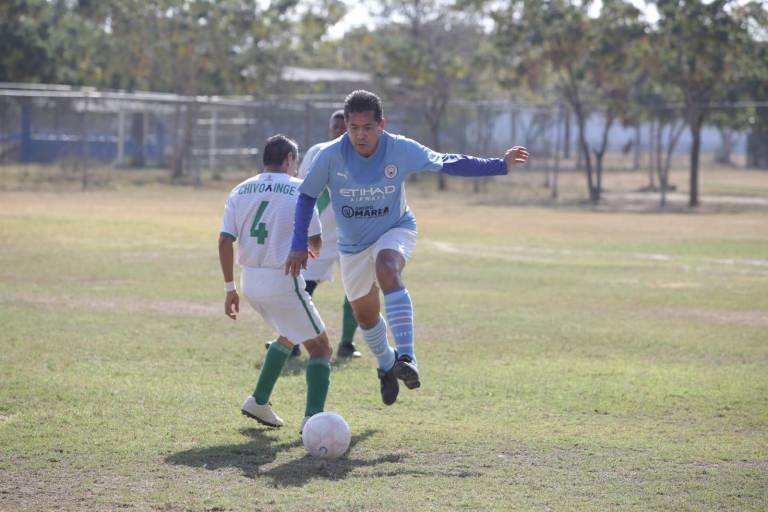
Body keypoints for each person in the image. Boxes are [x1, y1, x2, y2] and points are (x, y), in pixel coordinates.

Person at [285, 90, 529, 406]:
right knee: (366, 317)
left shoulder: (400, 148)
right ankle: (387, 365)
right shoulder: (330, 155)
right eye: (354, 128)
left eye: (368, 127)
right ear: (346, 125)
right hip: (353, 246)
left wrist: (499, 165)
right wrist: (298, 243)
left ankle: (407, 357)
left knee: (387, 267)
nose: (360, 135)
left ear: (381, 125)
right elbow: (306, 197)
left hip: (395, 228)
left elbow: (447, 162)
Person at [219, 134, 331, 432]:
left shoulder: (240, 189)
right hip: (282, 281)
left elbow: (225, 240)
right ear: (289, 160)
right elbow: (315, 242)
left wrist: (230, 289)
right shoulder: (300, 189)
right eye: (296, 161)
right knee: (321, 348)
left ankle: (258, 401)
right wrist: (311, 247)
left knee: (289, 333)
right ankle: (313, 421)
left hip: (250, 283)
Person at [266, 110, 362, 359]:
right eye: (335, 127)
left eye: (344, 127)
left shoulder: (365, 155)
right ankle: (292, 341)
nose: (339, 131)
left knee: (356, 289)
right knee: (303, 289)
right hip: (320, 234)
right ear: (330, 129)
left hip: (354, 235)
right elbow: (305, 190)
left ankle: (347, 344)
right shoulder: (318, 151)